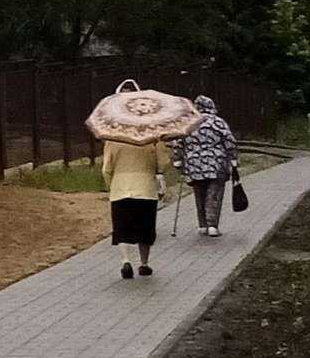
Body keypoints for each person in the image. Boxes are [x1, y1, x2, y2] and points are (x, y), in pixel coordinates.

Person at [101, 138, 171, 279]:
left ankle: (126, 260)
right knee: (145, 228)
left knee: (121, 227)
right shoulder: (153, 138)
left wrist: (111, 185)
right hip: (146, 188)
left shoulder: (113, 140)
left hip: (120, 188)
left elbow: (106, 169)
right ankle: (144, 264)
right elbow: (163, 164)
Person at [170, 96, 239, 236]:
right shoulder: (218, 122)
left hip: (194, 165)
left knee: (199, 194)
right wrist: (233, 158)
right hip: (216, 164)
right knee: (214, 195)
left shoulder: (189, 122)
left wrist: (178, 161)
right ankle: (212, 225)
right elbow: (229, 141)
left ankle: (202, 225)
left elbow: (178, 142)